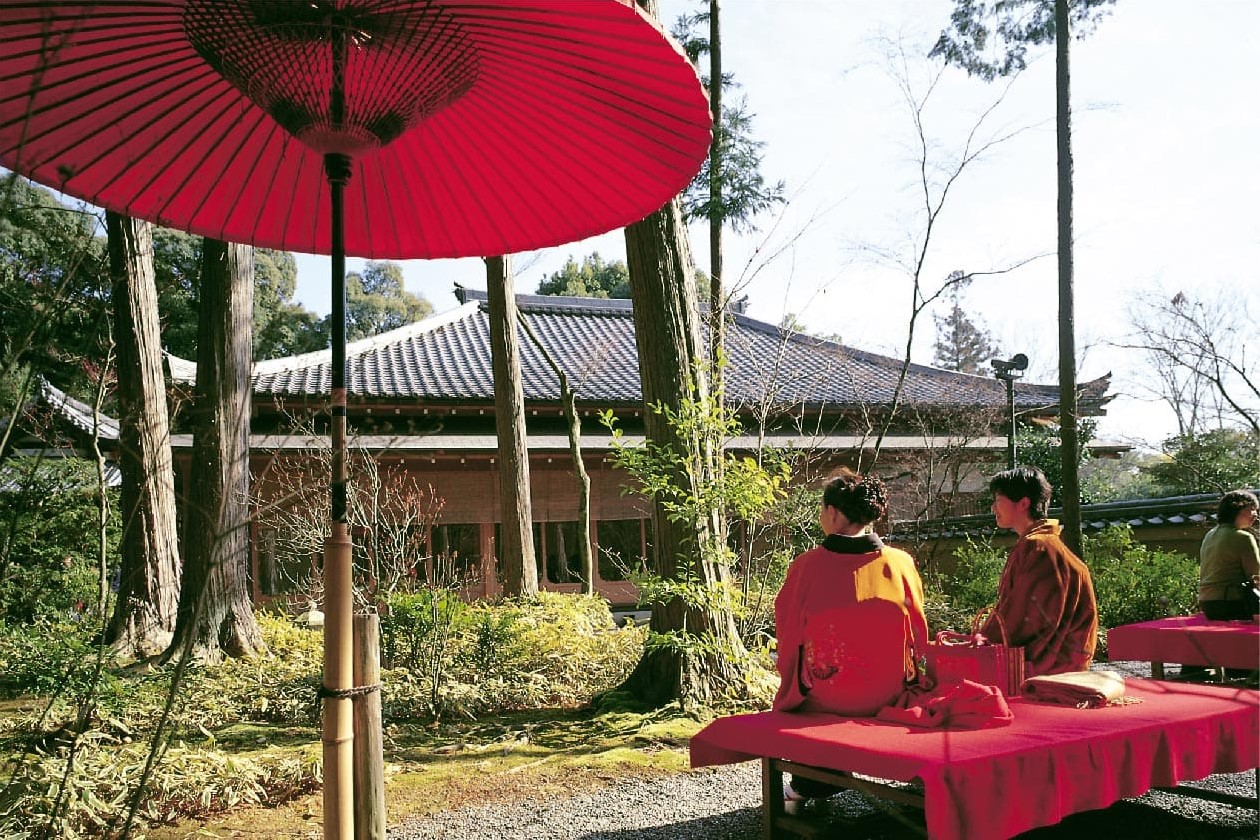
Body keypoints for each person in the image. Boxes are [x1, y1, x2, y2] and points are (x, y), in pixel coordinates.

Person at [773, 469, 929, 806]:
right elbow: (919, 633)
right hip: (889, 694)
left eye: (821, 510)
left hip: (827, 698)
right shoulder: (901, 563)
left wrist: (787, 683)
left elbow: (788, 637)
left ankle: (811, 785)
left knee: (806, 687)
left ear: (832, 512)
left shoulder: (807, 567)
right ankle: (812, 786)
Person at [979, 466, 1097, 678]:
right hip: (1067, 664)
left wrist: (983, 639)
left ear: (1023, 503)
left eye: (998, 499)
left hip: (1047, 670)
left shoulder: (1037, 546)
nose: (993, 507)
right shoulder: (1046, 544)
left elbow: (1021, 616)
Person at [1198, 489, 1260, 621]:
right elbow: (1256, 575)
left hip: (1207, 603)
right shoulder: (1243, 537)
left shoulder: (1209, 535)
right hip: (1233, 603)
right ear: (1237, 508)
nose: (1255, 514)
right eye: (1252, 509)